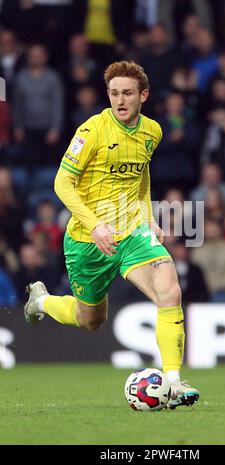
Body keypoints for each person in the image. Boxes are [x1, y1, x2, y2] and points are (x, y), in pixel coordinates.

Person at [23, 60, 199, 409]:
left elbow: (142, 175)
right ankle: (41, 301)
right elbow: (62, 182)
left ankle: (174, 382)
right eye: (114, 93)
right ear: (108, 95)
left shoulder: (153, 132)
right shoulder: (92, 131)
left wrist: (148, 216)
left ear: (143, 95)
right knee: (92, 320)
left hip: (131, 229)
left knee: (169, 288)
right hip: (88, 241)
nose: (120, 100)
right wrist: (95, 225)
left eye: (128, 93)